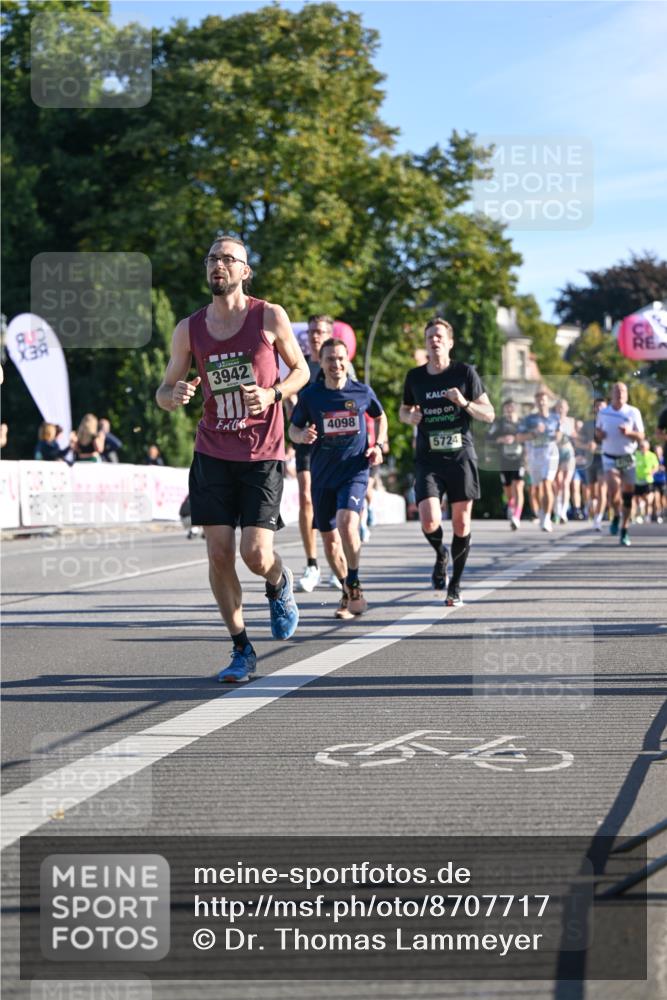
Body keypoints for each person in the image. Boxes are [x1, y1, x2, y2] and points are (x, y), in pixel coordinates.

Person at [156, 233, 309, 682]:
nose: (217, 266)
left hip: (261, 451)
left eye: (228, 259)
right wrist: (174, 394)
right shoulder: (190, 328)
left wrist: (273, 393)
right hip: (212, 450)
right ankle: (241, 648)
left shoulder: (269, 316)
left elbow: (300, 370)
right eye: (211, 259)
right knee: (220, 553)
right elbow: (163, 391)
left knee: (255, 554)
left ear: (245, 271)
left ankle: (279, 583)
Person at [399, 316, 495, 606]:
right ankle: (441, 552)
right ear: (426, 343)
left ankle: (455, 584)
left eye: (440, 336)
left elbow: (489, 414)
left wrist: (464, 403)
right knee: (429, 520)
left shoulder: (465, 373)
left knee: (461, 522)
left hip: (460, 456)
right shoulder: (415, 377)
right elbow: (403, 410)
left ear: (450, 342)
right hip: (428, 458)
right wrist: (409, 417)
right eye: (430, 336)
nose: (435, 340)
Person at [289, 337, 387, 619]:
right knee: (330, 543)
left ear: (348, 361)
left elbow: (380, 417)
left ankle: (353, 580)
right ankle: (347, 590)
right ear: (321, 362)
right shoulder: (312, 396)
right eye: (330, 359)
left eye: (341, 358)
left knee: (347, 524)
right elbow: (293, 430)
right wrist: (302, 436)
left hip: (354, 471)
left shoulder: (362, 392)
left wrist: (378, 445)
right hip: (323, 476)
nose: (336, 364)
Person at [287, 314, 356, 593]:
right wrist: (290, 403)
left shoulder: (339, 365)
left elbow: (355, 402)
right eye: (312, 331)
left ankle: (335, 559)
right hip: (307, 439)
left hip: (335, 445)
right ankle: (311, 563)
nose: (316, 336)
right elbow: (292, 413)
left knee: (333, 505)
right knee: (305, 498)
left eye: (322, 332)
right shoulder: (298, 366)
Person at [595, 381, 644, 547]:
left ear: (627, 394)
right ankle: (616, 514)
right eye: (616, 391)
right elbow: (598, 433)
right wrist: (599, 434)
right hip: (609, 456)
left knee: (627, 495)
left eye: (622, 391)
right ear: (611, 394)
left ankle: (624, 528)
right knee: (613, 490)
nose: (619, 394)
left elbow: (641, 436)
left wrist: (629, 432)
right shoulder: (604, 413)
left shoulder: (633, 412)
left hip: (628, 457)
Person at [517, 388, 561, 533]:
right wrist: (534, 433)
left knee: (547, 483)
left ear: (548, 401)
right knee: (536, 487)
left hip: (550, 453)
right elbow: (519, 437)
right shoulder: (529, 419)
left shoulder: (555, 418)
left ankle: (547, 517)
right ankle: (541, 511)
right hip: (534, 454)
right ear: (536, 402)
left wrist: (555, 435)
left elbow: (560, 435)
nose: (541, 402)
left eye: (544, 399)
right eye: (539, 399)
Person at [486, 399, 525, 530]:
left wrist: (517, 439)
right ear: (504, 409)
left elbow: (531, 438)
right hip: (504, 460)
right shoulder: (499, 423)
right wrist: (500, 439)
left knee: (518, 486)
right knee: (508, 489)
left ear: (516, 408)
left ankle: (516, 516)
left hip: (520, 459)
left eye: (512, 407)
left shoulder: (522, 423)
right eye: (507, 407)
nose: (510, 409)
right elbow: (489, 438)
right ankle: (511, 504)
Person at [553, 398, 577, 524]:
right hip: (556, 453)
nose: (561, 409)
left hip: (568, 452)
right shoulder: (552, 420)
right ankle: (556, 510)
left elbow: (575, 436)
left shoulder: (571, 421)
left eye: (563, 407)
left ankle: (563, 512)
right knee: (557, 483)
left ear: (567, 408)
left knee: (566, 483)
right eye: (559, 407)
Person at [633, 438, 659, 523]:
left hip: (648, 480)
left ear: (647, 447)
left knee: (648, 499)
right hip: (637, 480)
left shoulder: (652, 455)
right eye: (640, 446)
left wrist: (652, 472)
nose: (642, 448)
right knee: (637, 500)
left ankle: (647, 516)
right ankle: (639, 515)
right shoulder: (636, 454)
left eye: (643, 446)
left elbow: (656, 467)